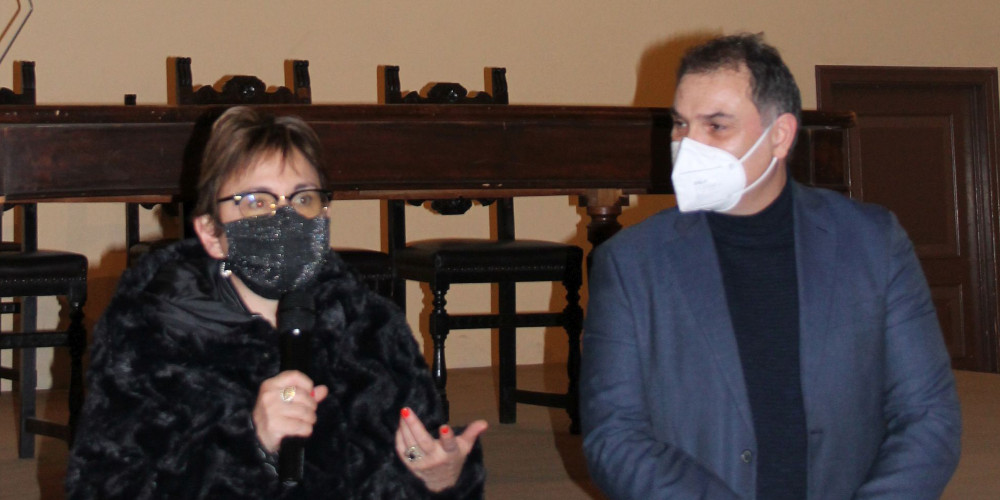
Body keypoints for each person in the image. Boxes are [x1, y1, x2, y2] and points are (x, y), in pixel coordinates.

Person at [580, 34, 961, 500]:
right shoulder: (631, 263)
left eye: (716, 126)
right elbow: (614, 437)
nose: (688, 145)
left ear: (779, 135)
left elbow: (928, 415)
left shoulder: (873, 242)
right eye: (680, 125)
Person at [66, 106, 488, 499]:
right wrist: (251, 443)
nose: (284, 218)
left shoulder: (369, 325)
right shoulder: (152, 334)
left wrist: (439, 475)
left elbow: (413, 453)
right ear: (211, 233)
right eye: (256, 202)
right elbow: (104, 486)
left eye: (303, 199)